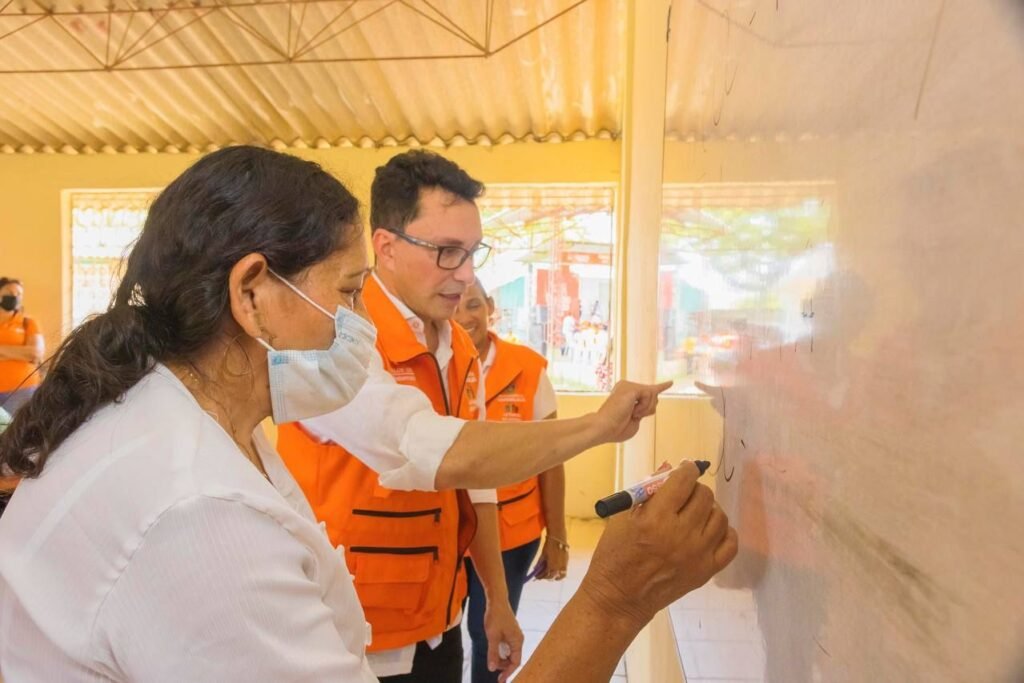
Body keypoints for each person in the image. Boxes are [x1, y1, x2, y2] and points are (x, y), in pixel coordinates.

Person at [0, 146, 737, 682]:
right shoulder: (197, 514)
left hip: (429, 612)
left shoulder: (196, 423)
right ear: (253, 292)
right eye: (349, 293)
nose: (357, 324)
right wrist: (613, 601)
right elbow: (427, 446)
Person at [277, 151, 520, 682]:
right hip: (356, 635)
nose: (465, 275)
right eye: (447, 252)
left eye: (473, 253)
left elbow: (478, 484)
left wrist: (495, 601)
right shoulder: (335, 337)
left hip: (441, 619)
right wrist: (593, 429)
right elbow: (419, 445)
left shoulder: (459, 346)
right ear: (385, 246)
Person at [454, 278, 566, 683]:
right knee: (443, 635)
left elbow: (553, 458)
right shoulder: (433, 365)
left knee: (491, 637)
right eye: (454, 307)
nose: (464, 317)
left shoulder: (528, 368)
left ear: (490, 306)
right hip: (446, 532)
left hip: (509, 537)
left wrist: (558, 536)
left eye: (473, 305)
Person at [0, 277, 45, 414]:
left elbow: (35, 353)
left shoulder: (28, 322)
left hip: (22, 390)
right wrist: (20, 352)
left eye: (18, 294)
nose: (14, 296)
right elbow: (28, 353)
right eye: (9, 292)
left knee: (21, 432)